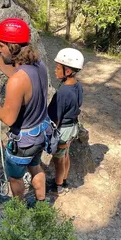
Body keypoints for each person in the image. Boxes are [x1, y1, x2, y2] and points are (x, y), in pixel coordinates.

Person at [0, 18, 51, 203]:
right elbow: (15, 74)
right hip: (41, 133)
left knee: (15, 177)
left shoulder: (16, 82)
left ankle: (18, 207)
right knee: (35, 167)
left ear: (12, 46)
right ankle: (41, 205)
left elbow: (8, 119)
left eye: (1, 46)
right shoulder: (38, 65)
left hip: (23, 142)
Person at [47, 48, 84, 195]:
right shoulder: (77, 85)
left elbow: (56, 117)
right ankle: (64, 180)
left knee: (58, 160)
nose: (55, 70)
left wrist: (51, 131)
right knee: (65, 154)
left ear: (67, 71)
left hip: (63, 129)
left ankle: (58, 186)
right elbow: (79, 103)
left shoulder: (63, 92)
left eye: (57, 67)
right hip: (72, 127)